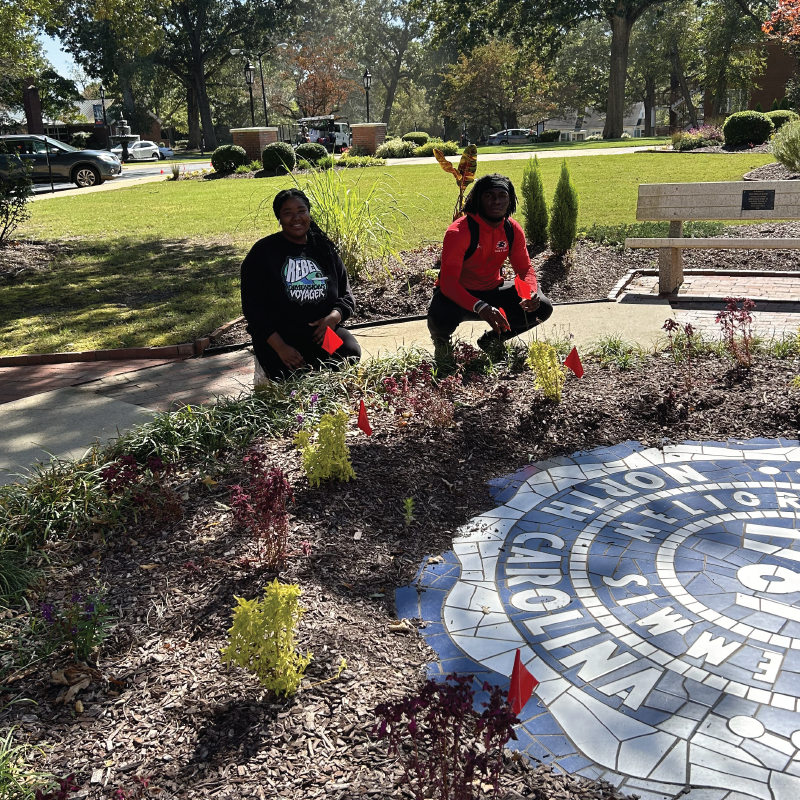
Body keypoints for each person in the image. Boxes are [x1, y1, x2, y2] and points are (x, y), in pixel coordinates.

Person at [241, 188, 361, 382]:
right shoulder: (263, 253)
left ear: (308, 213)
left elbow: (346, 296)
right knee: (294, 378)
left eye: (301, 211)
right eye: (287, 213)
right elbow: (253, 309)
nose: (296, 218)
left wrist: (333, 318)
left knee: (348, 353)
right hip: (280, 340)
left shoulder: (323, 248)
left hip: (319, 336)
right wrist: (281, 348)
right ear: (279, 218)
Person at [427, 173, 553, 356]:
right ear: (478, 200)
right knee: (438, 315)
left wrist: (530, 292)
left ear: (510, 200)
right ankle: (443, 351)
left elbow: (524, 269)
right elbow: (448, 283)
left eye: (502, 196)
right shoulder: (459, 232)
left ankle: (492, 341)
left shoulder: (512, 229)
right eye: (489, 196)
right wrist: (481, 307)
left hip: (493, 289)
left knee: (541, 307)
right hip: (459, 292)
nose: (496, 201)